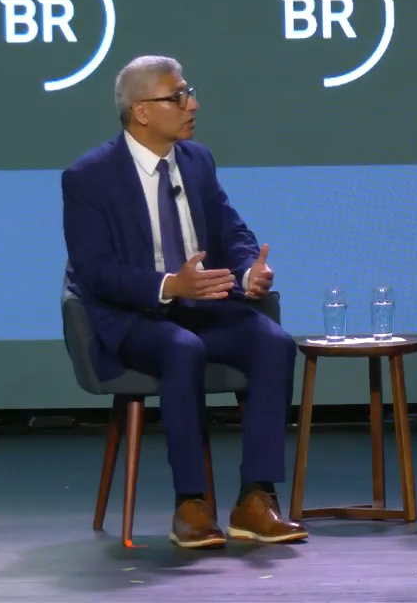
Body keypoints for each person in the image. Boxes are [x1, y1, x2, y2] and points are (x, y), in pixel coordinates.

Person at [62, 56, 304, 548]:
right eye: (178, 96)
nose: (192, 104)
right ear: (141, 111)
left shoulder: (197, 161)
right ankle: (191, 502)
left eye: (188, 93)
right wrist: (170, 286)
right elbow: (95, 273)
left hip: (204, 308)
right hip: (134, 318)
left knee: (273, 343)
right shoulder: (88, 177)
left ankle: (256, 497)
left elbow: (229, 228)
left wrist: (246, 270)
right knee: (181, 349)